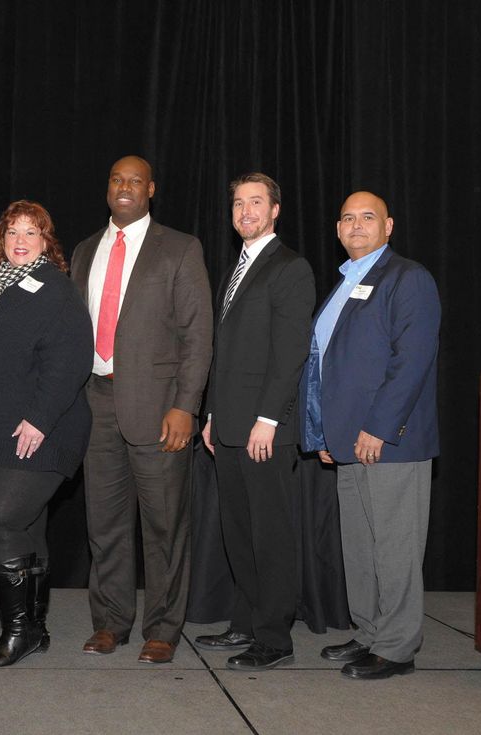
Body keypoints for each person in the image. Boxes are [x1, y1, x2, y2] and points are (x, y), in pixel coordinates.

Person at [70, 155, 213, 664]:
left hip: (159, 411)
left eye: (134, 180)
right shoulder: (86, 251)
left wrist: (185, 406)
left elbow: (197, 335)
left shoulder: (179, 248)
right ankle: (109, 623)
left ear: (151, 189)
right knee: (104, 525)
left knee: (165, 525)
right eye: (116, 179)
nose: (124, 187)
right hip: (96, 403)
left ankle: (162, 629)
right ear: (107, 188)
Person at [300, 191, 440, 680]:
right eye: (347, 218)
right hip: (347, 442)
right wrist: (321, 430)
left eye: (368, 217)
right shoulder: (343, 285)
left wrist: (378, 428)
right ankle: (370, 632)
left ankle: (398, 647)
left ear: (389, 226)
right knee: (360, 546)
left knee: (394, 546)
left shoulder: (408, 278)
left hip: (390, 443)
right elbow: (325, 368)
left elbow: (412, 362)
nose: (356, 226)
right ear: (337, 229)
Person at [0, 200, 93, 667]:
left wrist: (39, 418)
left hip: (41, 426)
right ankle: (34, 627)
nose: (19, 240)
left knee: (0, 517)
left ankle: (16, 632)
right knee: (26, 525)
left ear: (46, 242)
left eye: (31, 232)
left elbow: (71, 359)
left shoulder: (56, 288)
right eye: (12, 231)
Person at [195, 173, 316, 670]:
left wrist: (268, 419)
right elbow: (224, 353)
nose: (245, 211)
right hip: (226, 426)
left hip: (264, 431)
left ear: (275, 210)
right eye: (238, 203)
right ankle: (247, 621)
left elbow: (290, 356)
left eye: (256, 202)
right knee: (238, 530)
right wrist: (210, 414)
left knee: (270, 535)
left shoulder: (291, 268)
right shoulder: (235, 269)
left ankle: (275, 638)